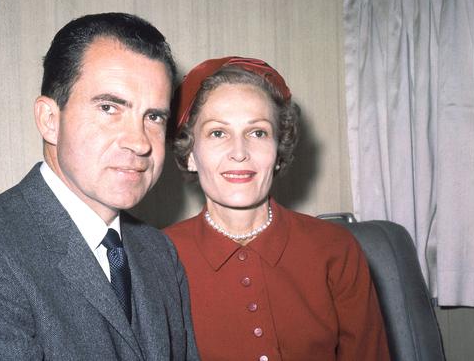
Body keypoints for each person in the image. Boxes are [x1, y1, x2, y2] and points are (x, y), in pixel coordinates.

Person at [0, 13, 199, 360]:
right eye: (109, 108)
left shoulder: (159, 252)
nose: (140, 142)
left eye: (154, 117)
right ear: (50, 120)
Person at [164, 56, 390, 361]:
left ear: (279, 152)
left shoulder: (336, 248)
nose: (239, 153)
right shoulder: (158, 257)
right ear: (190, 153)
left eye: (257, 133)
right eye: (218, 133)